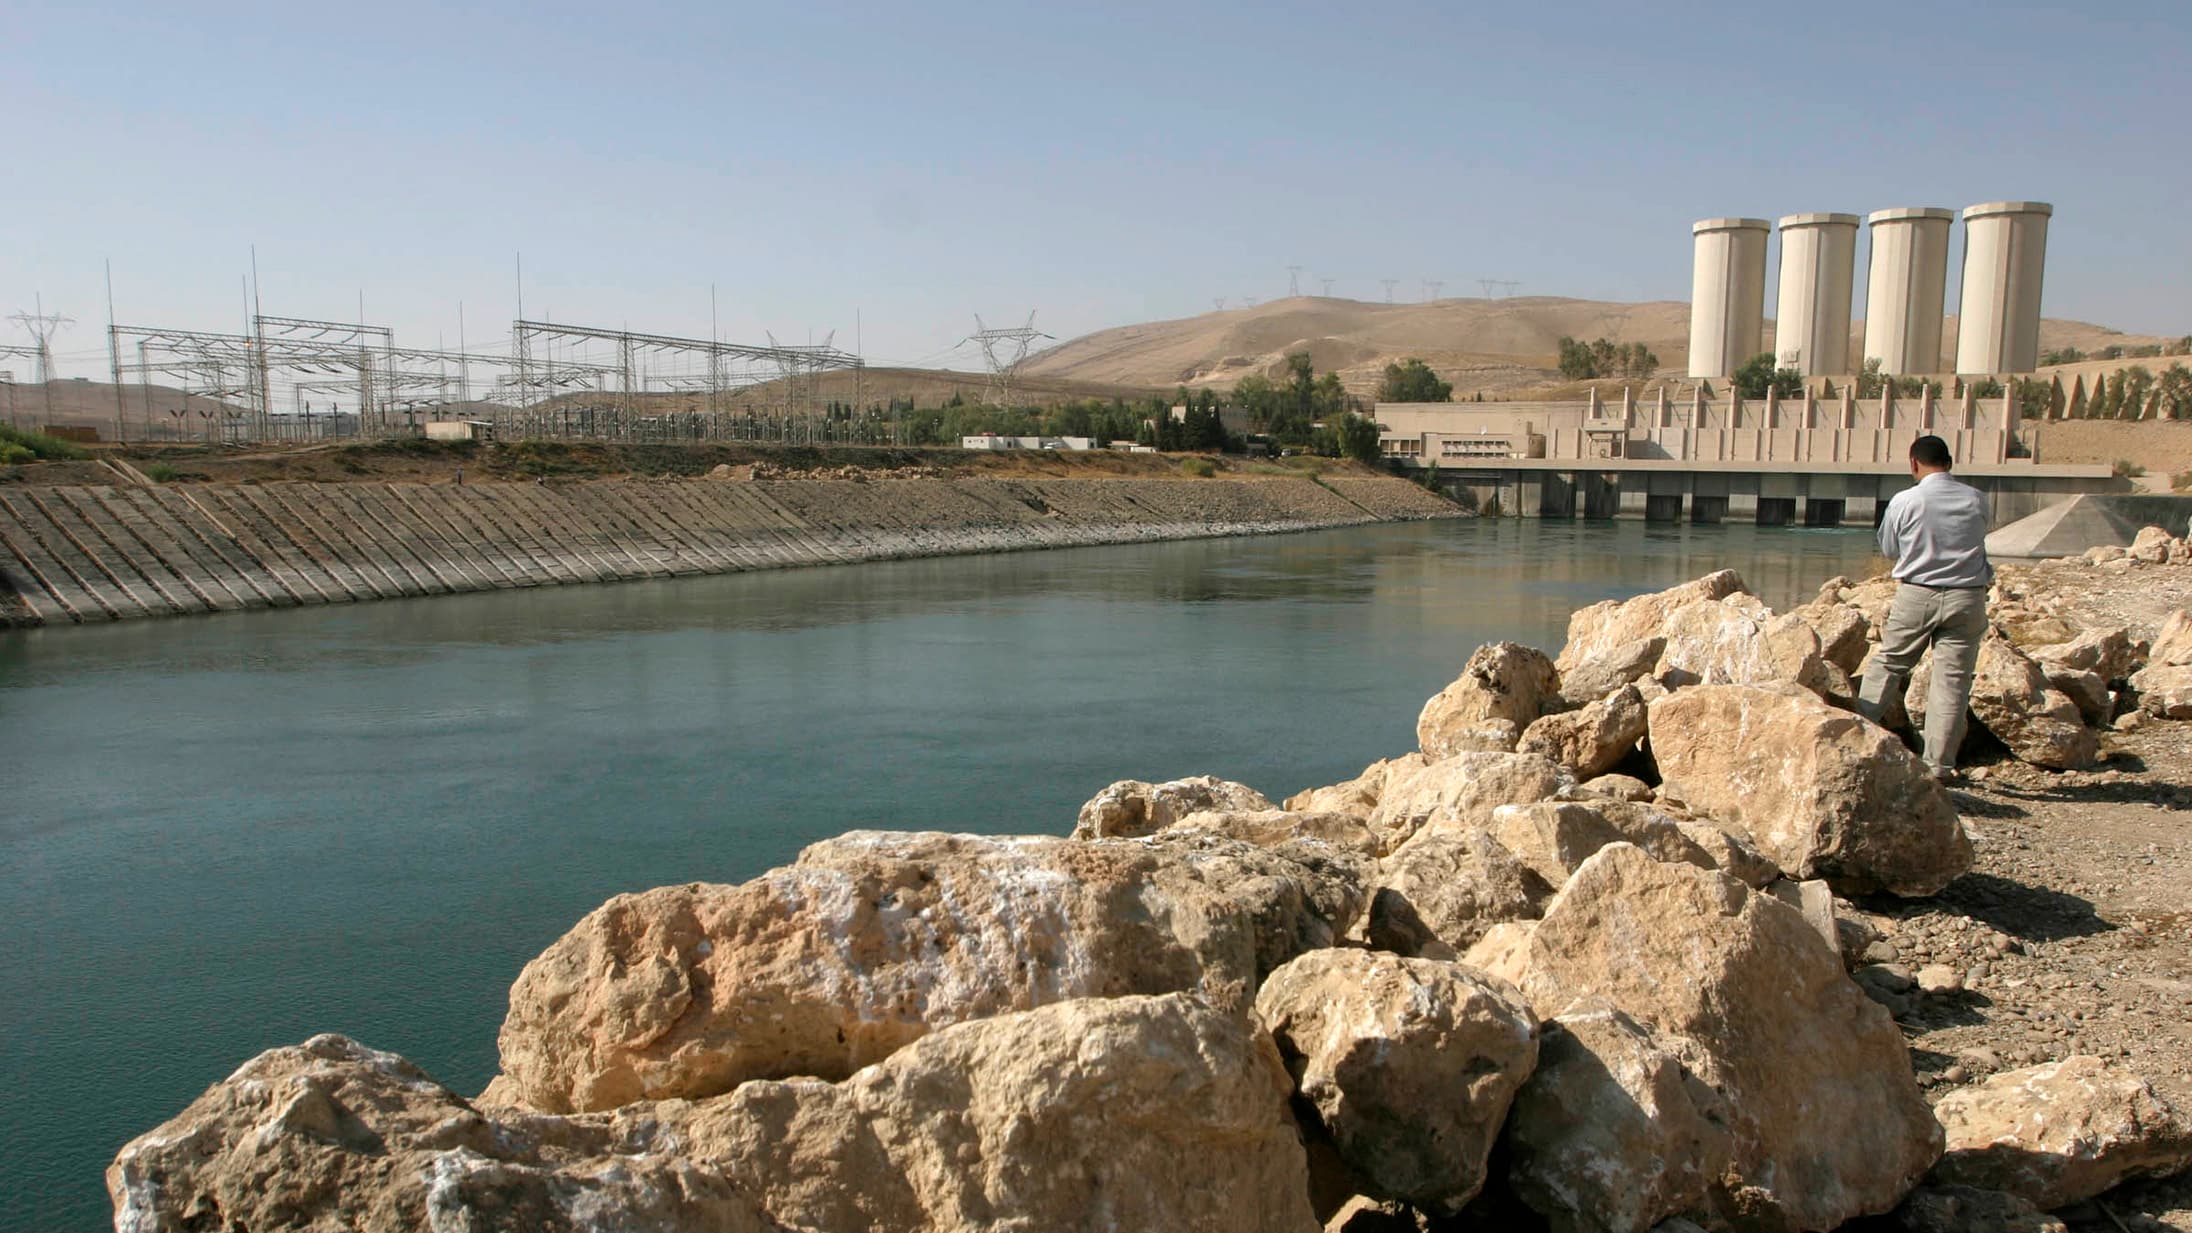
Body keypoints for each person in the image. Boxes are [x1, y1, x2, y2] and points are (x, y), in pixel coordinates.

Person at [1857, 434, 1993, 780]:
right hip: (1968, 596)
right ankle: (1939, 767)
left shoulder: (1906, 500)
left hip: (1918, 593)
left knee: (1889, 664)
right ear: (1949, 463)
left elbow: (1888, 549)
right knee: (1952, 681)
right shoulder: (1977, 499)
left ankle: (1855, 743)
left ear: (1913, 463)